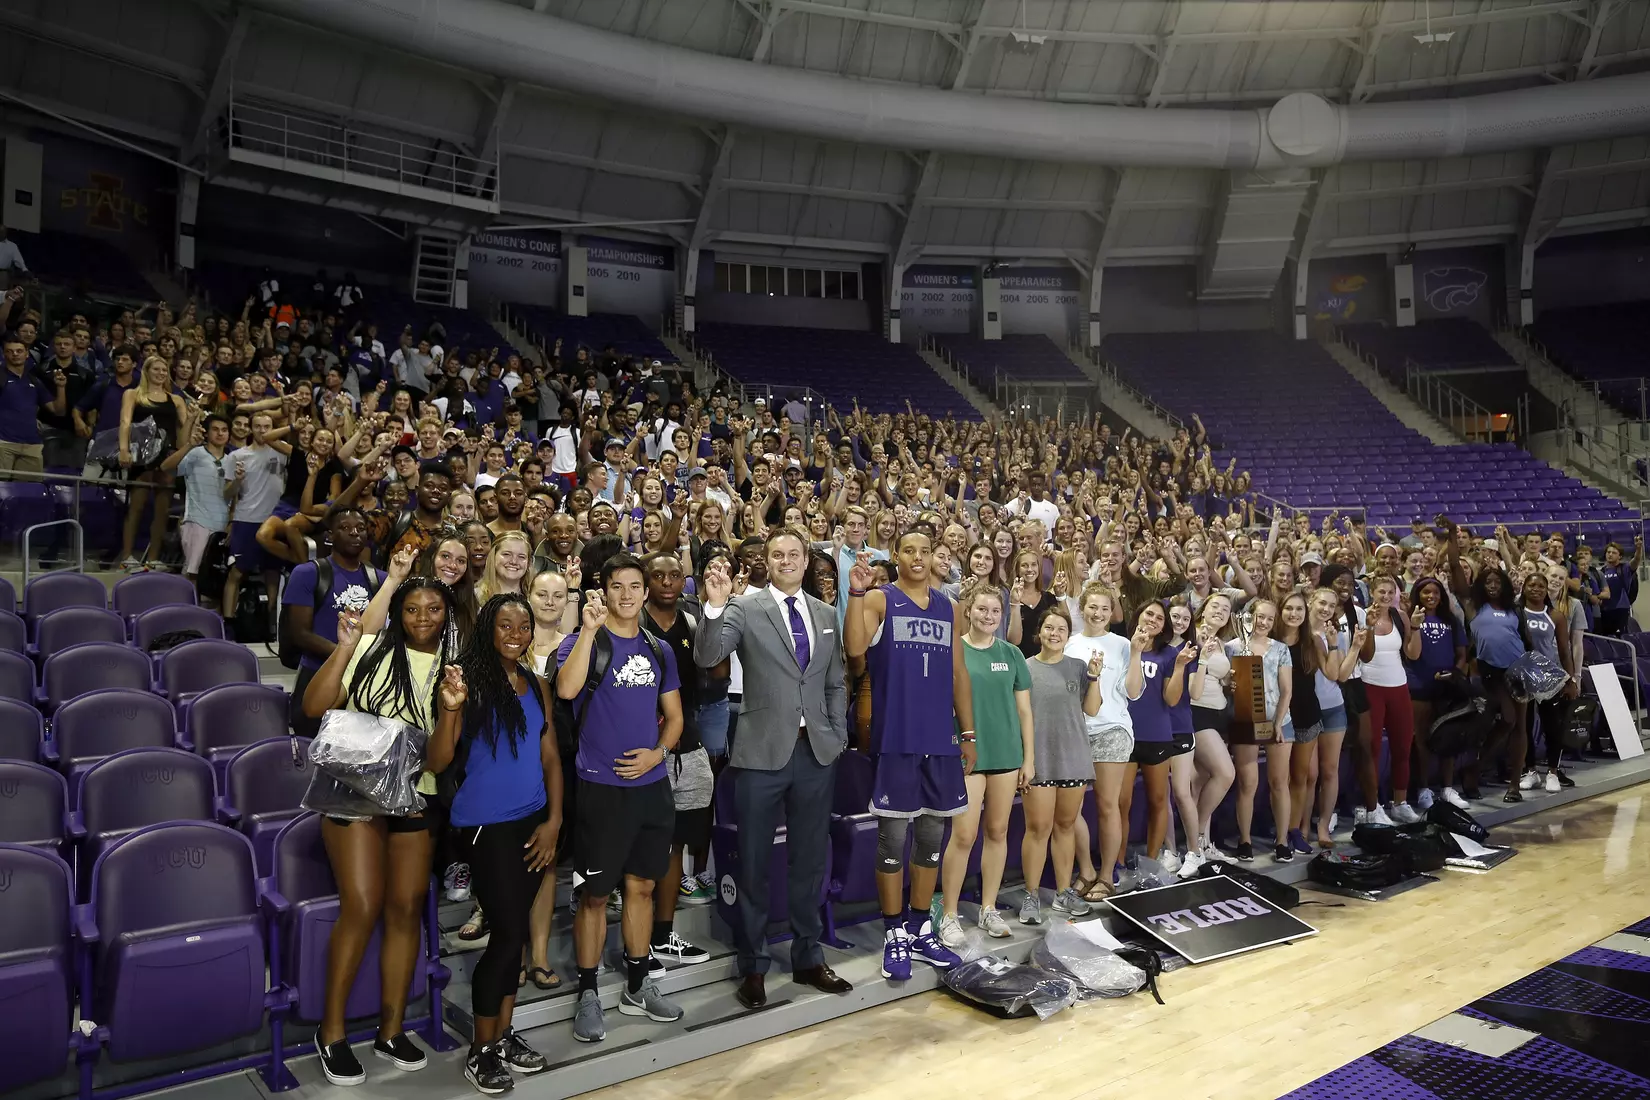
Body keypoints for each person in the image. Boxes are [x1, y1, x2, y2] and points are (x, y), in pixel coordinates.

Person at [300, 578, 460, 1086]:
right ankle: (331, 1032)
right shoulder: (369, 648)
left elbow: (439, 760)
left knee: (406, 908)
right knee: (363, 905)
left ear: (447, 614)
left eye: (433, 609)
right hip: (352, 792)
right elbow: (313, 707)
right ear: (397, 613)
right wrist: (344, 648)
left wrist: (451, 709)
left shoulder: (453, 667)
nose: (422, 617)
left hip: (415, 796)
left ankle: (391, 1031)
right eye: (411, 609)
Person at [696, 529, 851, 1010]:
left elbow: (835, 681)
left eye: (794, 554)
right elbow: (707, 655)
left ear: (806, 561)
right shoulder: (744, 608)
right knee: (754, 864)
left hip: (816, 754)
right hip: (760, 755)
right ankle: (754, 966)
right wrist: (714, 606)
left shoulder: (825, 613)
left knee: (810, 862)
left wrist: (837, 734)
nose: (786, 561)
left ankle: (808, 958)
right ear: (767, 561)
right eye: (777, 554)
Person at [427, 594, 562, 1095]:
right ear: (487, 628)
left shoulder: (537, 685)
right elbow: (438, 760)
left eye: (523, 626)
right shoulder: (465, 681)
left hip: (533, 823)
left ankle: (501, 1036)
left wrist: (554, 821)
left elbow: (550, 758)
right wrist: (449, 710)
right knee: (506, 936)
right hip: (485, 825)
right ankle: (480, 1050)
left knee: (515, 936)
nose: (515, 633)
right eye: (504, 625)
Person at [556, 552, 685, 1043]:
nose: (627, 594)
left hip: (651, 788)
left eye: (635, 586)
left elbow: (675, 717)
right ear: (603, 591)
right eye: (617, 586)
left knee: (643, 887)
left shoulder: (658, 648)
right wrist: (588, 631)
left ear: (645, 592)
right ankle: (588, 991)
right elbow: (566, 691)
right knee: (594, 896)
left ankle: (637, 984)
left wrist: (657, 754)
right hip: (600, 789)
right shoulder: (582, 641)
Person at [846, 530, 976, 981]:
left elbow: (959, 672)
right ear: (896, 556)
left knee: (931, 837)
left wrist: (968, 732)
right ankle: (893, 931)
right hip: (897, 738)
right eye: (910, 551)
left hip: (939, 740)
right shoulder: (879, 599)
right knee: (893, 838)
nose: (918, 558)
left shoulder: (949, 607)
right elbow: (855, 649)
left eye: (926, 551)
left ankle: (921, 927)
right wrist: (855, 593)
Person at [938, 584, 1033, 942]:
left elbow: (1024, 711)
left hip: (1007, 754)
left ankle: (988, 908)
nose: (989, 616)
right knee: (964, 835)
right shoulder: (954, 650)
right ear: (969, 611)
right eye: (982, 609)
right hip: (968, 756)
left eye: (995, 611)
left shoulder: (1012, 654)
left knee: (998, 831)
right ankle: (949, 913)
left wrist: (1029, 758)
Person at [638, 550, 714, 969]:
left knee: (675, 844)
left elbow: (715, 674)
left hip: (685, 742)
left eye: (674, 575)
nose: (667, 582)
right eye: (658, 575)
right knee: (641, 845)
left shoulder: (692, 621)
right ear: (645, 580)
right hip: (639, 749)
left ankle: (663, 934)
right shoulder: (631, 622)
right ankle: (636, 943)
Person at [1021, 605, 1104, 923]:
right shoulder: (1025, 667)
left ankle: (1062, 892)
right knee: (1037, 829)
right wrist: (1025, 760)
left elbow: (1092, 709)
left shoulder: (1079, 667)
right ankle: (1031, 895)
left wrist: (1094, 677)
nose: (1054, 634)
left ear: (1068, 636)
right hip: (1038, 760)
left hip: (1074, 758)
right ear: (1039, 632)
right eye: (1049, 628)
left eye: (1061, 629)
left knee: (1066, 827)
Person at [281, 508, 382, 738]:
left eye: (360, 528)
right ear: (329, 536)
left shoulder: (380, 578)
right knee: (311, 746)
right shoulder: (307, 573)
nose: (354, 533)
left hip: (361, 681)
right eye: (345, 528)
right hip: (316, 675)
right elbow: (300, 633)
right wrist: (346, 654)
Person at [1062, 584, 1135, 898]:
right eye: (1093, 607)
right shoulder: (1069, 643)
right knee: (1069, 811)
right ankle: (1086, 870)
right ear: (1082, 609)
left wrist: (1139, 653)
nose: (1098, 613)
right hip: (1075, 731)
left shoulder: (1123, 645)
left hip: (1112, 730)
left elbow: (1133, 692)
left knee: (1107, 805)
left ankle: (1106, 877)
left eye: (1105, 608)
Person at [1116, 601, 1192, 873]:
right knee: (1121, 802)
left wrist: (1180, 667)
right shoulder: (1121, 647)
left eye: (1160, 618)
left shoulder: (1169, 654)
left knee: (1158, 800)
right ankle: (1117, 861)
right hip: (1123, 735)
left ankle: (1150, 862)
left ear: (1163, 627)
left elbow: (1171, 699)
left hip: (1157, 735)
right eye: (1149, 613)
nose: (1153, 620)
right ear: (1138, 615)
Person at [1224, 598, 1294, 862]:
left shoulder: (1281, 649)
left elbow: (1286, 690)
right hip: (1244, 721)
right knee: (1247, 783)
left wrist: (1278, 723)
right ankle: (1245, 840)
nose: (1263, 623)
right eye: (1259, 617)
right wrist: (1228, 684)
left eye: (1269, 619)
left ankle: (1282, 841)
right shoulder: (1232, 647)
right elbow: (1225, 684)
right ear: (1247, 617)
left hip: (1279, 721)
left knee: (1279, 782)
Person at [222, 412, 290, 636]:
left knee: (273, 572)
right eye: (258, 426)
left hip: (275, 521)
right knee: (236, 572)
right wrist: (238, 480)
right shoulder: (237, 456)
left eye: (267, 426)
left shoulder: (282, 452)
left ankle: (270, 621)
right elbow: (227, 493)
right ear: (251, 429)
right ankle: (228, 622)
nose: (262, 430)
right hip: (247, 519)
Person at [1514, 570, 1579, 795]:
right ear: (1524, 588)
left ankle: (1552, 772)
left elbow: (1564, 651)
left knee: (1552, 725)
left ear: (1546, 590)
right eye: (1532, 585)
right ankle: (1531, 771)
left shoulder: (1555, 615)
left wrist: (1571, 679)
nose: (1536, 589)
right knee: (1524, 726)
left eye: (1541, 586)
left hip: (1547, 676)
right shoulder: (1516, 612)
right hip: (1522, 675)